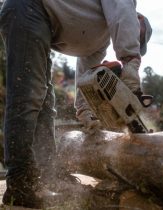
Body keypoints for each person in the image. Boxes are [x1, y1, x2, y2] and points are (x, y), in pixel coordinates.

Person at [0, 0, 152, 208]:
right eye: (138, 34)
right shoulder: (124, 9)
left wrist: (86, 113)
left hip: (41, 22)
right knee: (27, 97)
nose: (135, 37)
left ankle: (47, 174)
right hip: (27, 7)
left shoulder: (98, 41)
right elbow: (123, 12)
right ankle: (20, 182)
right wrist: (131, 63)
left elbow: (86, 77)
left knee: (45, 104)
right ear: (139, 21)